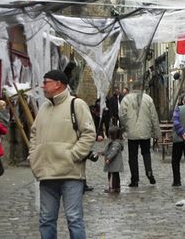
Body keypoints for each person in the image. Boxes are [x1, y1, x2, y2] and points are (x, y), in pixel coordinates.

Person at [29, 69, 96, 239]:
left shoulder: (77, 104)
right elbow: (34, 134)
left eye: (46, 82)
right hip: (46, 173)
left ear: (58, 84)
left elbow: (89, 133)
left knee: (74, 219)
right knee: (46, 219)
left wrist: (73, 155)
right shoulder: (44, 108)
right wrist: (34, 156)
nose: (43, 86)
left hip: (70, 174)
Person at [119, 86, 161, 187]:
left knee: (133, 156)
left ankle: (135, 179)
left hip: (132, 132)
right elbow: (154, 117)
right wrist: (156, 132)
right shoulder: (148, 99)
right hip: (145, 131)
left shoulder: (126, 99)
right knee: (146, 154)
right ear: (141, 88)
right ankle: (149, 172)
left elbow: (122, 116)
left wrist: (126, 126)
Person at [102, 126, 124, 193]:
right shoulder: (116, 143)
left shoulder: (115, 144)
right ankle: (117, 187)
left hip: (113, 164)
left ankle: (112, 188)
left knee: (112, 176)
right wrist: (103, 152)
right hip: (115, 165)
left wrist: (108, 158)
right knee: (116, 176)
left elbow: (113, 152)